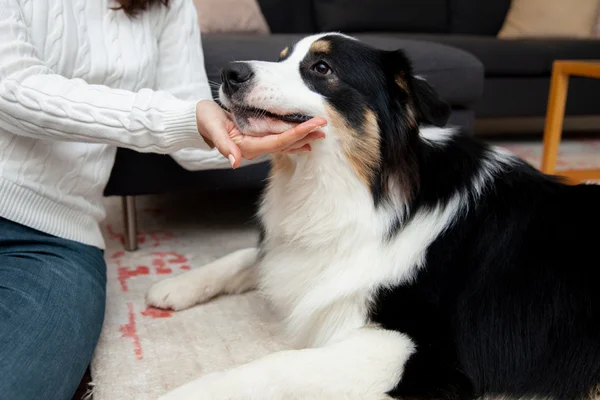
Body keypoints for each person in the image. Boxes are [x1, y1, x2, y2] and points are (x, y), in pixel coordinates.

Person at [0, 0, 326, 399]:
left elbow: (190, 134)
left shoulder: (168, 6)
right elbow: (10, 87)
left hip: (53, 237)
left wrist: (249, 134)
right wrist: (183, 119)